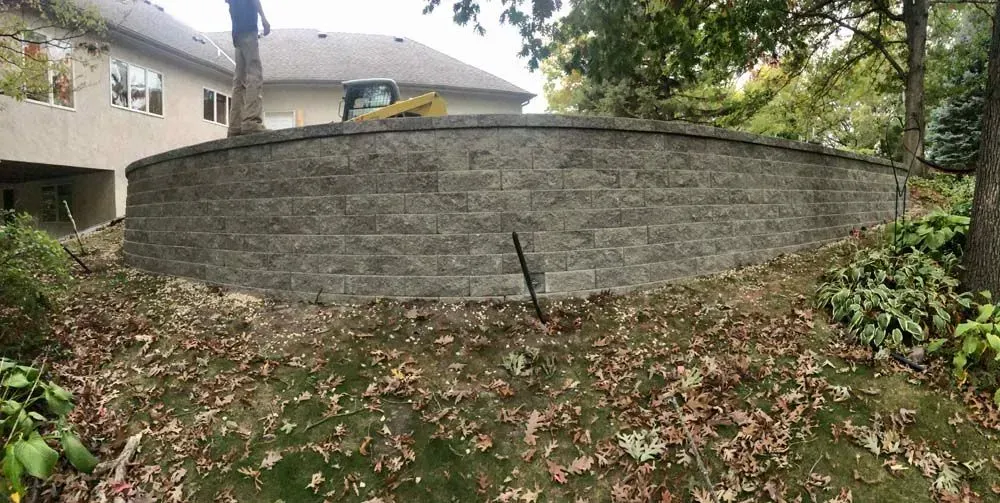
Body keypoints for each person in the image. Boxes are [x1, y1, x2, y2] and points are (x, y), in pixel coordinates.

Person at [226, 0, 270, 137]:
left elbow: (229, 5)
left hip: (237, 33)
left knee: (239, 79)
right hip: (248, 29)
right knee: (254, 73)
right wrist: (263, 18)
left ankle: (235, 126)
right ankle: (251, 121)